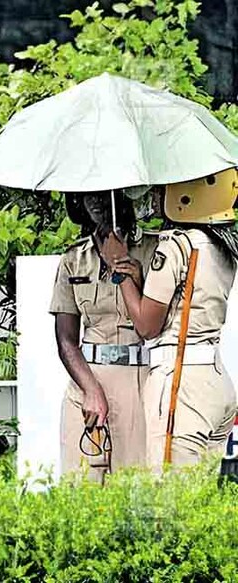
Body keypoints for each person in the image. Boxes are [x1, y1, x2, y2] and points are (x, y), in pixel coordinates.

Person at [109, 169, 238, 469]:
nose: (156, 195)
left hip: (181, 382)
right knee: (200, 503)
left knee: (170, 502)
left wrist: (119, 269)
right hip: (215, 380)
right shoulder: (221, 244)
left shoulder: (177, 244)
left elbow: (147, 326)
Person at [49, 190, 156, 479]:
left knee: (135, 488)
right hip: (87, 382)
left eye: (103, 193)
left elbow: (159, 324)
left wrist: (132, 276)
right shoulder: (74, 259)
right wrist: (91, 390)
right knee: (81, 484)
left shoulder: (153, 249)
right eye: (88, 195)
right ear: (77, 202)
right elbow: (66, 339)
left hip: (139, 381)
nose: (96, 201)